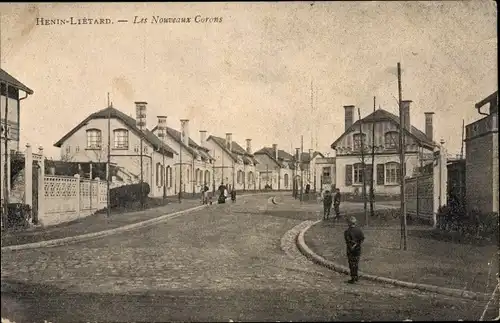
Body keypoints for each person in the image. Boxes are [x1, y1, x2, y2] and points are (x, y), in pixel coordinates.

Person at [344, 216, 365, 284]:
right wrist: (357, 244)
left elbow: (348, 241)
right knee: (356, 263)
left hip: (350, 250)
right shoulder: (359, 230)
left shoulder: (347, 232)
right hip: (358, 249)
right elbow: (362, 239)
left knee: (351, 264)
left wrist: (352, 246)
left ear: (349, 223)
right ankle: (356, 276)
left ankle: (353, 277)